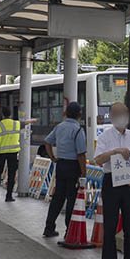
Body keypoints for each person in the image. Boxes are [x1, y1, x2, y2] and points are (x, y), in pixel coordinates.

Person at [94, 101, 130, 259]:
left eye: (123, 112)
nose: (121, 116)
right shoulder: (105, 137)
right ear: (111, 116)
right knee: (110, 224)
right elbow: (98, 159)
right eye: (117, 113)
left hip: (129, 184)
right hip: (111, 183)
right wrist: (115, 152)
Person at [42, 101, 87, 238]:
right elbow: (81, 154)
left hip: (61, 166)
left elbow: (47, 141)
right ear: (79, 114)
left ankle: (49, 227)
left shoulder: (59, 127)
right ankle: (69, 231)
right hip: (73, 167)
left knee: (58, 198)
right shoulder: (78, 130)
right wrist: (83, 173)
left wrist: (53, 157)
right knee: (72, 199)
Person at [0, 107, 23, 202]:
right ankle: (9, 196)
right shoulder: (16, 124)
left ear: (2, 114)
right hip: (13, 153)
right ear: (10, 114)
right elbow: (26, 122)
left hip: (1, 153)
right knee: (11, 174)